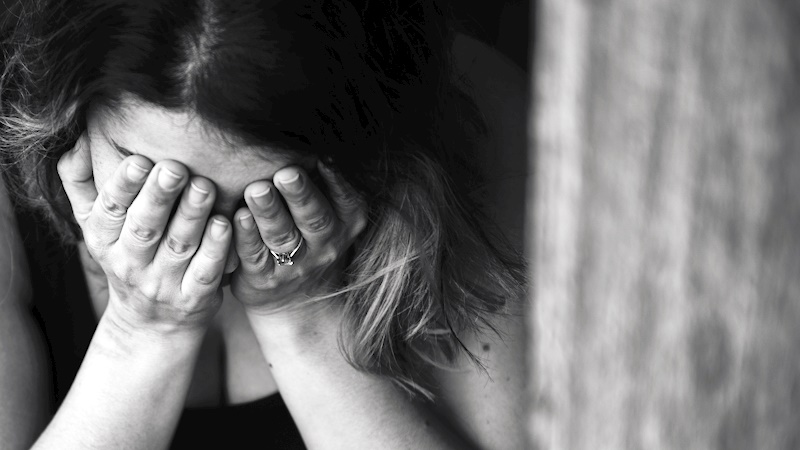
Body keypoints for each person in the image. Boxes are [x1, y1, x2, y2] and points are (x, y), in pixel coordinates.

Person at [0, 0, 528, 448]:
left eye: (267, 195)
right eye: (154, 181)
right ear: (69, 111)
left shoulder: (471, 118)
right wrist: (140, 330)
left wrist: (301, 316)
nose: (204, 234)